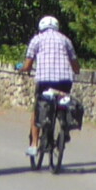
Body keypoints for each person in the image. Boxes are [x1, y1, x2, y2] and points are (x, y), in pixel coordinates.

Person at [24, 14, 78, 152]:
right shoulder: (65, 40)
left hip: (45, 81)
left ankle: (34, 145)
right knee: (63, 102)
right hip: (65, 81)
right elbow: (75, 65)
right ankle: (65, 128)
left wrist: (23, 69)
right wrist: (75, 70)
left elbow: (28, 64)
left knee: (37, 110)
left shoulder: (37, 39)